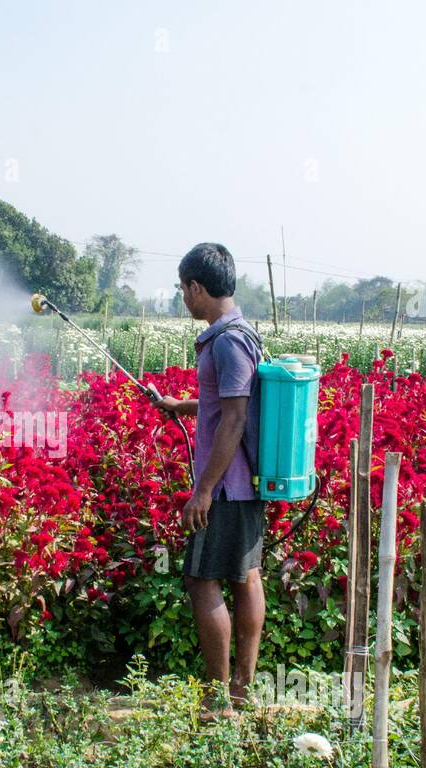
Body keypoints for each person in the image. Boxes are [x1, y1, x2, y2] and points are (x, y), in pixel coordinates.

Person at [153, 243, 265, 717]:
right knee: (245, 576)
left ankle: (221, 699)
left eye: (184, 289)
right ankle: (239, 690)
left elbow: (236, 418)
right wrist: (185, 407)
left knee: (203, 581)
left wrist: (202, 490)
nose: (183, 298)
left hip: (226, 487)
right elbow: (229, 403)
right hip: (241, 484)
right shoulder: (242, 333)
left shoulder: (227, 340)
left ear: (197, 287)